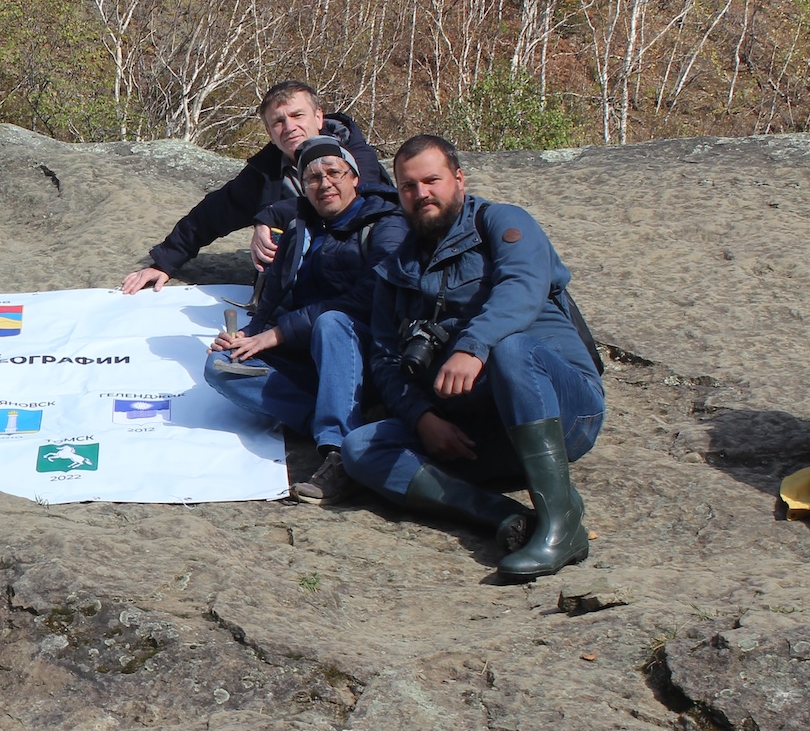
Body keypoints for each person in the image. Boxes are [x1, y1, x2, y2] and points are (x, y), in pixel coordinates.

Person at [340, 135, 604, 579]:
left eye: (431, 180)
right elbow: (385, 359)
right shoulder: (395, 269)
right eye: (408, 186)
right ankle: (503, 517)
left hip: (563, 416)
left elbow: (522, 286)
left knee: (514, 349)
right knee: (361, 446)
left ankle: (563, 525)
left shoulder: (503, 223)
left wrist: (471, 346)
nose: (421, 193)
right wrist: (423, 417)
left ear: (458, 179)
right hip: (477, 436)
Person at [202, 134, 407, 506]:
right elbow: (276, 297)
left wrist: (276, 335)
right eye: (313, 178)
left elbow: (371, 296)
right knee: (220, 366)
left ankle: (340, 453)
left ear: (355, 177)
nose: (325, 183)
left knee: (332, 322)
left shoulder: (384, 224)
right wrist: (249, 335)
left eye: (334, 173)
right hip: (304, 353)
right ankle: (343, 416)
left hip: (364, 351)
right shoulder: (299, 227)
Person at [121, 80, 395, 292]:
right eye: (278, 121)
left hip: (361, 277)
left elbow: (360, 203)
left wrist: (272, 215)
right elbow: (212, 214)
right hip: (295, 285)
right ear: (269, 132)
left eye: (297, 115)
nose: (289, 127)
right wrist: (165, 262)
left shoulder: (356, 156)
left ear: (319, 117)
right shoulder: (266, 171)